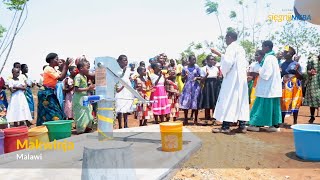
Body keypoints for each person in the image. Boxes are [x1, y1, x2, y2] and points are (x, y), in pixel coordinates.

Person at [211, 31, 249, 133]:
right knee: (241, 101)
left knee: (229, 100)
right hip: (241, 79)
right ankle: (242, 125)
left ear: (229, 37)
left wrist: (224, 72)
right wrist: (220, 54)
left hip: (232, 79)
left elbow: (228, 62)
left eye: (225, 38)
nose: (225, 40)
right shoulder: (240, 48)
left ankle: (225, 127)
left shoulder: (231, 47)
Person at [247, 41, 282, 132]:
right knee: (273, 107)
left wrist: (258, 70)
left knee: (260, 106)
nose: (262, 48)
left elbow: (266, 74)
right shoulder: (273, 58)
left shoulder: (268, 58)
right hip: (273, 88)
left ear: (267, 47)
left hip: (267, 88)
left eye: (262, 47)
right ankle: (274, 126)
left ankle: (254, 124)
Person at [36, 53, 72, 126]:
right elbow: (61, 78)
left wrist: (66, 66)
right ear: (51, 60)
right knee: (52, 112)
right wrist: (66, 65)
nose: (58, 60)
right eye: (56, 59)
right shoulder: (48, 69)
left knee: (52, 111)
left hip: (50, 92)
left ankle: (49, 128)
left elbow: (63, 75)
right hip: (46, 93)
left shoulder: (53, 69)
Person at [280, 46, 303, 124]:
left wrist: (296, 71)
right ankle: (282, 121)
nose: (284, 53)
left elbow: (301, 77)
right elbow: (280, 75)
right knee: (283, 102)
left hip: (295, 85)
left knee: (295, 101)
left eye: (286, 52)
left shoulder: (296, 64)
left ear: (291, 54)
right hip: (285, 84)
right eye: (284, 52)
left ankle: (295, 122)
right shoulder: (282, 64)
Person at [73, 60, 94, 134]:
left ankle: (86, 128)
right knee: (81, 115)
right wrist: (87, 89)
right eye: (87, 67)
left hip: (84, 98)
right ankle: (80, 130)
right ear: (81, 68)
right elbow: (76, 89)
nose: (88, 69)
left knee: (88, 114)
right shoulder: (78, 77)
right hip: (79, 99)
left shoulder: (84, 76)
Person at [179, 55, 202, 125]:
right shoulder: (185, 68)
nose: (194, 61)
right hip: (187, 87)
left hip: (195, 87)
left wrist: (197, 78)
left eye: (195, 59)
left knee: (195, 102)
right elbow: (182, 80)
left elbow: (201, 77)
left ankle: (195, 119)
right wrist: (185, 76)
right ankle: (186, 119)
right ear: (189, 60)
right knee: (186, 102)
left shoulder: (197, 67)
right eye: (193, 60)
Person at [115, 55, 135, 128]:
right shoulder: (116, 70)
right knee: (119, 107)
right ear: (119, 61)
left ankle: (126, 124)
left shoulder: (128, 69)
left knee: (126, 106)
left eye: (127, 60)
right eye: (124, 60)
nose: (126, 62)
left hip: (127, 89)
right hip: (120, 88)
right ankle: (120, 125)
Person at [199, 55, 220, 121]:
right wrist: (207, 75)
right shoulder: (203, 68)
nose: (212, 61)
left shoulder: (216, 68)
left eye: (213, 59)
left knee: (214, 100)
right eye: (211, 59)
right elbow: (202, 80)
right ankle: (207, 116)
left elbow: (217, 77)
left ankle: (214, 117)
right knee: (207, 100)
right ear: (207, 60)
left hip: (214, 85)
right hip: (207, 85)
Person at [304, 54, 320, 124]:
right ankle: (312, 116)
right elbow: (308, 70)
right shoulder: (312, 59)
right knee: (313, 98)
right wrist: (310, 72)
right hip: (314, 81)